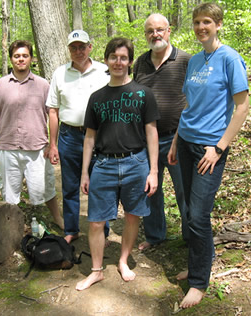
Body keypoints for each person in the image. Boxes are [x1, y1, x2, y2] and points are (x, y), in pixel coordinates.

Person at [168, 2, 249, 309]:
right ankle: (196, 264)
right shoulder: (196, 61)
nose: (201, 27)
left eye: (206, 22)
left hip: (208, 149)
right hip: (186, 142)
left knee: (199, 216)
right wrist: (175, 142)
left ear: (218, 25)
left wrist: (219, 147)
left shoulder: (229, 58)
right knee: (189, 210)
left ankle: (199, 282)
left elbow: (242, 106)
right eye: (197, 22)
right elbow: (188, 107)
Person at [75, 37, 160, 291]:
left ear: (130, 62)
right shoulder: (97, 97)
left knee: (133, 216)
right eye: (114, 57)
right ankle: (97, 270)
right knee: (96, 221)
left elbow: (152, 133)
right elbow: (90, 137)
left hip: (136, 163)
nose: (118, 62)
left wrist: (153, 171)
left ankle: (123, 261)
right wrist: (84, 173)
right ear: (106, 60)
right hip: (103, 165)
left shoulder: (143, 94)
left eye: (123, 58)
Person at [0, 40, 64, 230]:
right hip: (7, 147)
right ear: (12, 59)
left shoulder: (43, 85)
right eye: (17, 56)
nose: (21, 59)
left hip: (37, 148)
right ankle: (11, 227)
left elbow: (53, 115)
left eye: (25, 56)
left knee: (45, 188)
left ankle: (57, 218)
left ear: (31, 58)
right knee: (9, 193)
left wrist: (52, 144)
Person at [46, 30, 110, 244]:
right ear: (69, 50)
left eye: (82, 46)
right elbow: (53, 111)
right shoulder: (59, 74)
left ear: (90, 47)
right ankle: (72, 229)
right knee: (70, 185)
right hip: (69, 136)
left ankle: (103, 229)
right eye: (73, 47)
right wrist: (52, 144)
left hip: (100, 136)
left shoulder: (104, 71)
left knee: (100, 184)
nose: (78, 51)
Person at [134, 13, 191, 250]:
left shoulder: (186, 61)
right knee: (150, 189)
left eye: (159, 29)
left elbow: (195, 99)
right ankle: (155, 236)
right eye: (150, 31)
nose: (155, 34)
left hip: (178, 138)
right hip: (147, 139)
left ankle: (191, 238)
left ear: (169, 31)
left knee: (184, 191)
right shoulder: (140, 63)